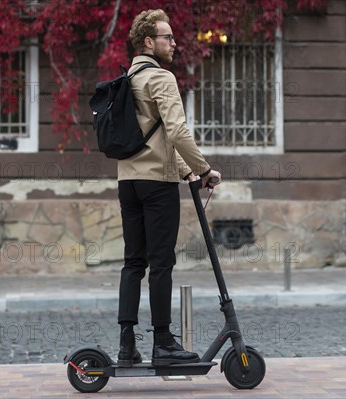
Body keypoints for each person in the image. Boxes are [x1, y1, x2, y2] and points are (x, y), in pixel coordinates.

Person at [116, 9, 221, 367]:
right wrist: (203, 169)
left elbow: (152, 137)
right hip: (156, 185)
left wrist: (183, 171)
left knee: (133, 262)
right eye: (168, 38)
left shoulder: (126, 79)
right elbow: (176, 132)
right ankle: (163, 342)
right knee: (161, 262)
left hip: (127, 181)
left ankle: (126, 344)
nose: (174, 44)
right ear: (149, 42)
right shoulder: (161, 78)